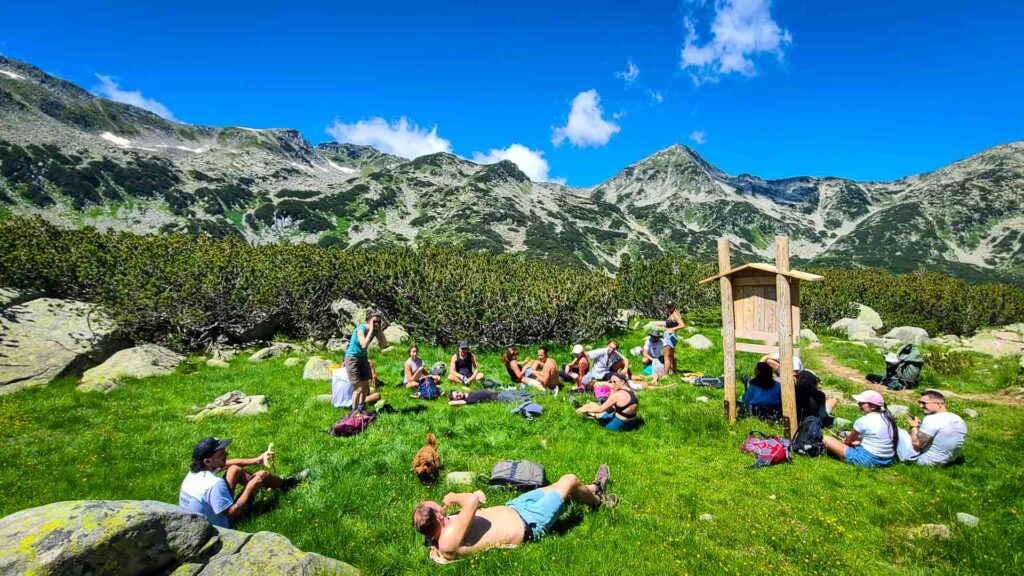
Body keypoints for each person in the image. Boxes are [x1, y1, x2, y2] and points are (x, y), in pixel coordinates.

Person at [412, 465, 616, 563]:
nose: (442, 505)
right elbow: (474, 500)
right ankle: (598, 501)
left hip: (516, 506)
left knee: (558, 486)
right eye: (439, 507)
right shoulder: (447, 540)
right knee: (569, 478)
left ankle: (592, 489)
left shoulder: (444, 527)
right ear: (438, 517)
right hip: (530, 522)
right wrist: (455, 496)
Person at [178, 437, 308, 528]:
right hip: (220, 526)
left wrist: (257, 460)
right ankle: (287, 484)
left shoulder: (195, 473)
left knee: (234, 470)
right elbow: (231, 513)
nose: (226, 453)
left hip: (202, 520)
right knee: (261, 475)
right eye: (222, 453)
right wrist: (249, 488)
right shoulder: (214, 484)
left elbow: (229, 464)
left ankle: (264, 485)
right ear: (208, 461)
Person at [821, 390, 897, 467]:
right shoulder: (888, 419)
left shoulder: (864, 420)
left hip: (868, 460)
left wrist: (842, 442)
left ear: (873, 406)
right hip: (887, 460)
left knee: (825, 438)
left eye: (862, 403)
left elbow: (848, 441)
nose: (858, 404)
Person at [896, 390, 968, 466]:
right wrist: (920, 427)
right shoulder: (957, 418)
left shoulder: (931, 419)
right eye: (919, 402)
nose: (920, 406)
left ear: (939, 405)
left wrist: (913, 426)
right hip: (949, 461)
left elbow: (916, 443)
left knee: (898, 430)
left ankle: (889, 456)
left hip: (926, 461)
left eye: (924, 403)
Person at [345, 310, 389, 414]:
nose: (377, 324)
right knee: (359, 389)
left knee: (365, 386)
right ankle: (353, 412)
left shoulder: (376, 329)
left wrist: (380, 331)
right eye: (374, 321)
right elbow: (364, 344)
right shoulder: (361, 329)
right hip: (352, 358)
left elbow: (384, 345)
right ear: (368, 321)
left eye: (379, 321)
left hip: (363, 358)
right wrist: (371, 330)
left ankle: (361, 407)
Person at [575, 372, 640, 432]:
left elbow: (601, 409)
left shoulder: (618, 395)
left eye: (614, 382)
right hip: (632, 424)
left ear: (622, 382)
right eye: (611, 382)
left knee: (596, 411)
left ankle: (580, 409)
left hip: (617, 426)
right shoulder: (634, 392)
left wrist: (585, 409)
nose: (613, 384)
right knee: (593, 404)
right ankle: (583, 407)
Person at [663, 302, 684, 375]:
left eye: (670, 306)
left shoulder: (675, 314)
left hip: (670, 336)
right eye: (667, 306)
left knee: (666, 356)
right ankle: (674, 371)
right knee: (671, 355)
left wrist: (672, 329)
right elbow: (670, 324)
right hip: (671, 336)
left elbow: (682, 325)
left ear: (673, 307)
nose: (668, 308)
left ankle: (666, 375)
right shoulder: (672, 314)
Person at [448, 388, 533, 406]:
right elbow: (450, 403)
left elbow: (464, 388)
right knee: (523, 399)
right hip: (499, 398)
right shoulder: (468, 401)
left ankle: (544, 395)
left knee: (525, 393)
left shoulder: (469, 393)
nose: (459, 394)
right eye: (457, 396)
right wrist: (453, 400)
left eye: (457, 392)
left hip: (501, 392)